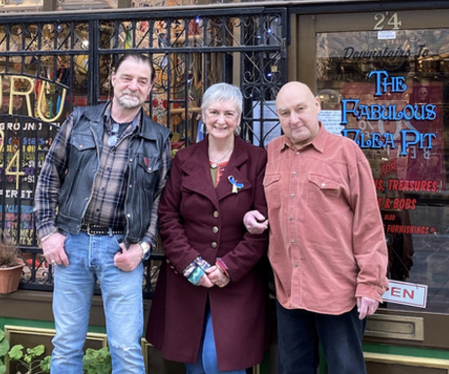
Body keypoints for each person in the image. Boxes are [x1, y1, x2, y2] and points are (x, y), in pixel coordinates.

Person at [34, 53, 171, 374]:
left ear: (149, 89)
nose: (133, 86)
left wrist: (144, 247)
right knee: (67, 343)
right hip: (72, 245)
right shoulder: (79, 120)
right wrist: (47, 233)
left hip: (120, 250)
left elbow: (160, 201)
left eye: (142, 81)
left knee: (125, 346)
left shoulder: (158, 138)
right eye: (127, 77)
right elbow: (48, 176)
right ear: (112, 78)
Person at [244, 81, 388, 373]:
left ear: (317, 107)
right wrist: (252, 218)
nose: (293, 119)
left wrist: (371, 284)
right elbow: (266, 207)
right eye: (284, 113)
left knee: (345, 369)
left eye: (300, 109)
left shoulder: (346, 153)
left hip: (338, 292)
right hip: (289, 290)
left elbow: (368, 223)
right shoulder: (271, 153)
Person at [146, 83, 269, 374]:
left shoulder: (257, 160)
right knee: (195, 363)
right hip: (189, 279)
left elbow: (263, 223)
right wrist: (190, 264)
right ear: (203, 115)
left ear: (239, 118)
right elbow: (168, 216)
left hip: (237, 281)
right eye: (214, 112)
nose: (221, 120)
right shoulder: (185, 159)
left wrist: (229, 268)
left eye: (229, 113)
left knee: (221, 362)